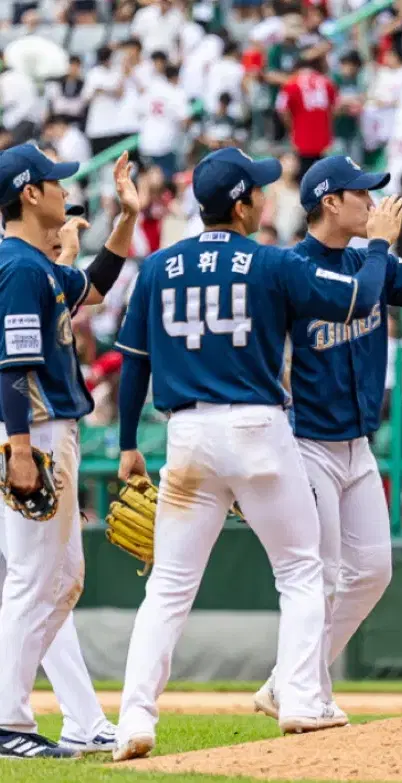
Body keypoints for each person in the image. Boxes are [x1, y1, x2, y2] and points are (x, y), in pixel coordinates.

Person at [111, 148, 402, 761]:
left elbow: (134, 365)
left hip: (186, 436)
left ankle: (134, 720)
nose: (270, 198)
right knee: (302, 573)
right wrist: (378, 246)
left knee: (168, 587)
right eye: (261, 192)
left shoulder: (160, 266)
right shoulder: (271, 263)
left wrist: (124, 446)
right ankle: (299, 698)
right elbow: (355, 298)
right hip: (259, 430)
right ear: (243, 205)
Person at [252, 154, 402, 722]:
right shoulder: (291, 267)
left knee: (373, 570)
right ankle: (306, 693)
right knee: (319, 577)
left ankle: (287, 679)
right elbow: (366, 293)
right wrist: (380, 248)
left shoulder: (364, 258)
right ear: (331, 202)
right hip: (306, 442)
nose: (372, 203)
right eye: (361, 194)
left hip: (357, 445)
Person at [0, 146, 139, 759]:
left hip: (46, 430)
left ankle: (73, 721)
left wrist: (125, 222)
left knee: (58, 580)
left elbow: (96, 286)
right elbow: (11, 367)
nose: (63, 191)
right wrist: (21, 451)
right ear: (30, 194)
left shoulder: (34, 265)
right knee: (36, 580)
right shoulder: (19, 268)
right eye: (54, 183)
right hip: (35, 430)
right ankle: (8, 721)